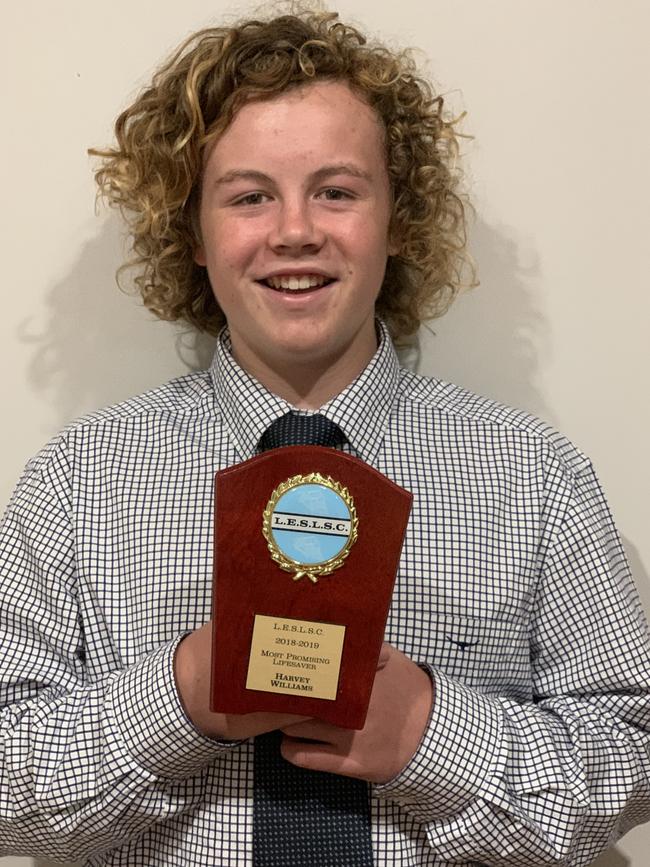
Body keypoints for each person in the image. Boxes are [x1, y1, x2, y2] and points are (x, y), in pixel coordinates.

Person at [1, 8, 649, 866]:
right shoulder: (76, 485)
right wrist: (180, 698)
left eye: (337, 191)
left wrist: (431, 733)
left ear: (396, 218)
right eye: (249, 195)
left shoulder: (535, 476)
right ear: (193, 231)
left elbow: (629, 758)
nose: (296, 230)